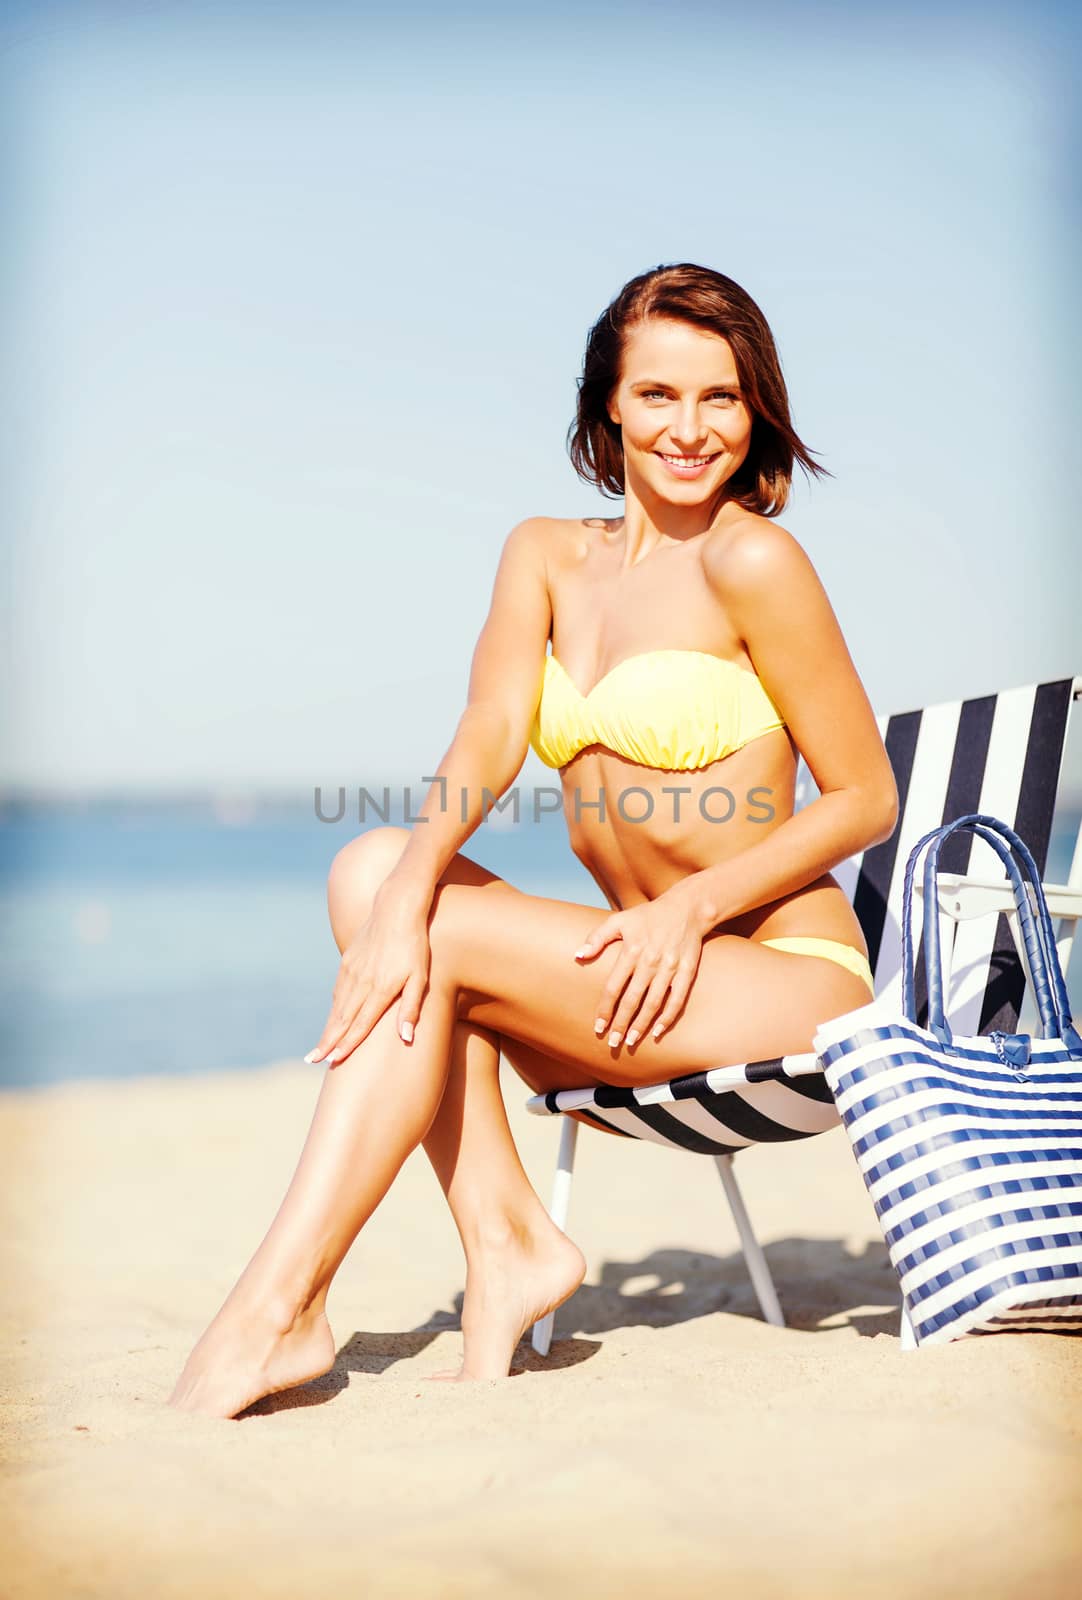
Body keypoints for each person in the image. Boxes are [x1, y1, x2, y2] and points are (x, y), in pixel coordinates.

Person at [168, 262, 898, 1418]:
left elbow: (863, 797)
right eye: (656, 394)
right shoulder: (543, 555)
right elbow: (491, 728)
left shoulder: (750, 560)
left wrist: (686, 909)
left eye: (721, 397)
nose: (688, 428)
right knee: (370, 875)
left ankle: (278, 1308)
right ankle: (504, 1239)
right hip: (636, 991)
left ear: (755, 408)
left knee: (426, 931)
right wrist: (408, 884)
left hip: (777, 984)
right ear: (607, 401)